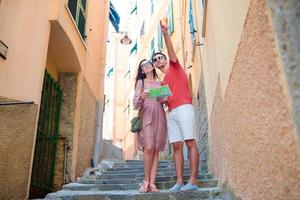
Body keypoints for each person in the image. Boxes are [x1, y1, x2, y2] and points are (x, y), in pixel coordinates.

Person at [152, 21, 200, 191]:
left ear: (165, 59)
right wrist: (162, 100)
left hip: (184, 108)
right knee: (176, 146)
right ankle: (179, 181)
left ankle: (193, 181)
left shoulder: (174, 65)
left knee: (190, 142)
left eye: (160, 57)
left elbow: (171, 51)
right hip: (171, 112)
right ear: (155, 65)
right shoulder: (163, 81)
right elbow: (167, 98)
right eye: (155, 59)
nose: (157, 60)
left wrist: (165, 33)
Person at [133, 59, 168, 193]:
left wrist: (163, 99)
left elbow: (165, 101)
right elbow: (135, 104)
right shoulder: (140, 83)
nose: (147, 66)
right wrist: (141, 96)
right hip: (146, 115)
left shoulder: (160, 82)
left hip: (159, 115)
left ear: (152, 66)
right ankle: (146, 181)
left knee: (156, 150)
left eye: (148, 63)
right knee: (149, 147)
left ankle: (152, 183)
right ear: (142, 70)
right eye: (143, 66)